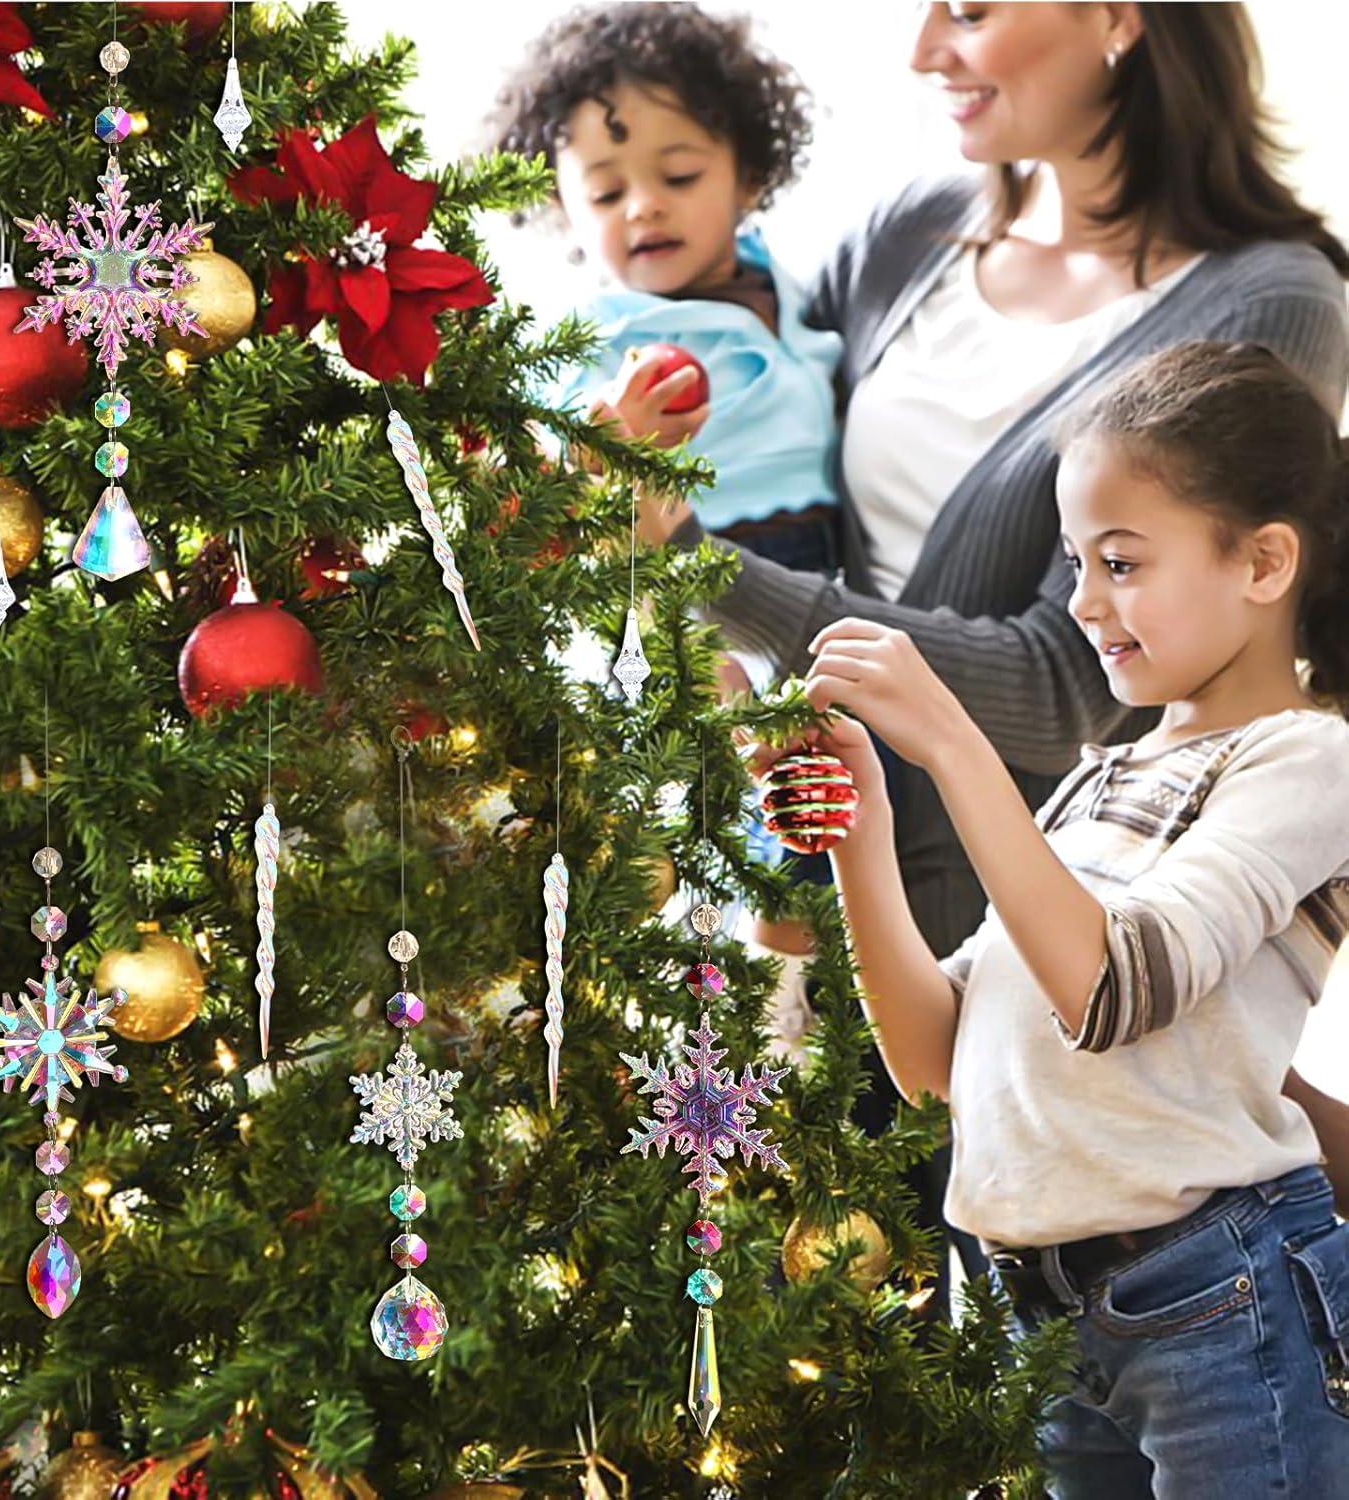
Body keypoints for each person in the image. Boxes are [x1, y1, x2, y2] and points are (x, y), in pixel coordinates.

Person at [629, 2, 1349, 1306]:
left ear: (1120, 18)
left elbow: (1072, 687)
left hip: (1010, 908)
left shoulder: (1271, 301)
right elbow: (776, 442)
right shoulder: (905, 233)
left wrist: (696, 564)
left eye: (969, 8)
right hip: (820, 874)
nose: (923, 50)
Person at [796, 340, 1349, 1495]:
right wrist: (862, 831)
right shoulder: (1094, 780)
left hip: (1219, 1294)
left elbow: (1114, 986)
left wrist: (950, 738)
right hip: (1037, 1312)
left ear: (1264, 561)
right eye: (1074, 563)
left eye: (1121, 562)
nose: (1086, 603)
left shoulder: (1308, 758)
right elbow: (938, 1065)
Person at [490, 3, 844, 583]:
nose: (644, 206)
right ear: (563, 208)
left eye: (679, 177)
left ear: (748, 177)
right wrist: (609, 437)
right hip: (692, 566)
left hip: (823, 564)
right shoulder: (599, 333)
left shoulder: (783, 284)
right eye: (606, 194)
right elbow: (548, 478)